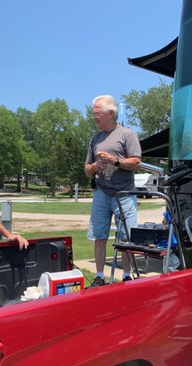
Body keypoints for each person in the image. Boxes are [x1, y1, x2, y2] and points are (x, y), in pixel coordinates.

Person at [84, 95, 142, 286]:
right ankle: (99, 277)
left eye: (97, 114)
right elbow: (86, 170)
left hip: (124, 194)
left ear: (111, 113)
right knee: (99, 237)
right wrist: (94, 167)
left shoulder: (127, 135)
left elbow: (136, 163)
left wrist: (114, 160)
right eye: (94, 114)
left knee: (126, 237)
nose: (95, 117)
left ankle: (126, 276)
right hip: (101, 192)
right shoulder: (95, 139)